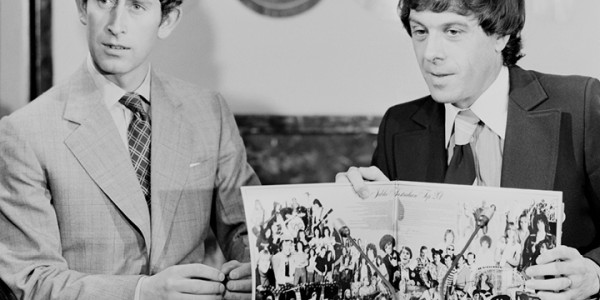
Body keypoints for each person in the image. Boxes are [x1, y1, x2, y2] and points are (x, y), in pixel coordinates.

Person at [336, 0, 600, 298]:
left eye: (452, 31)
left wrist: (594, 273)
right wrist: (360, 210)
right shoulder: (398, 125)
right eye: (420, 31)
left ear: (501, 35)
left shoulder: (581, 105)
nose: (430, 53)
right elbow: (390, 267)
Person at [0, 0, 260, 299]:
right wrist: (141, 292)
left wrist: (253, 270)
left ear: (167, 21)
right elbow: (31, 280)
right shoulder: (24, 132)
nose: (116, 24)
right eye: (105, 2)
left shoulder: (208, 112)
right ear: (83, 9)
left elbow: (248, 231)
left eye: (137, 6)